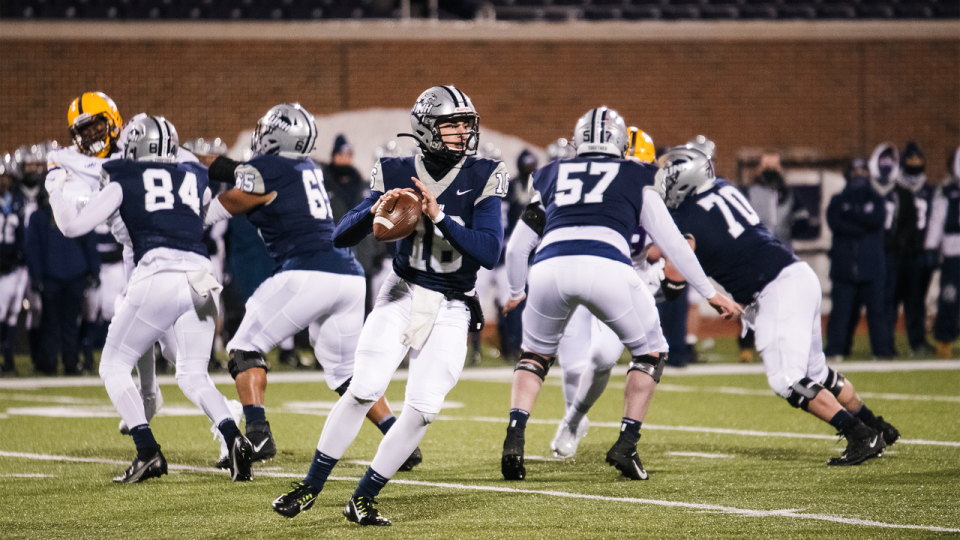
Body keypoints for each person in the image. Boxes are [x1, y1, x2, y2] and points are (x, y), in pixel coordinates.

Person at [271, 85, 505, 526]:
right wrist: (371, 211)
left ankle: (362, 497)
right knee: (364, 387)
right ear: (426, 128)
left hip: (454, 302)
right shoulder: (395, 167)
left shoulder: (485, 172)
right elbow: (341, 235)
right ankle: (310, 486)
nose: (462, 132)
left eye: (465, 123)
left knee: (424, 408)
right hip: (403, 291)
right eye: (451, 123)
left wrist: (439, 216)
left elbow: (490, 250)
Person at [499, 108, 741, 482]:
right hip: (607, 268)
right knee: (651, 352)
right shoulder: (636, 174)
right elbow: (674, 244)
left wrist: (516, 291)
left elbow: (517, 247)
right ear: (620, 142)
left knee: (534, 356)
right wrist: (710, 293)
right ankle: (626, 444)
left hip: (548, 268)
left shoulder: (552, 173)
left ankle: (514, 439)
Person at [199, 103, 420, 471]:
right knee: (346, 371)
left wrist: (193, 210)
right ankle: (398, 439)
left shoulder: (271, 167)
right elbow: (236, 170)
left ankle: (257, 433)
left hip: (308, 271)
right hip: (348, 276)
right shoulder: (306, 167)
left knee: (243, 347)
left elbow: (226, 202)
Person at [661, 143, 899, 466]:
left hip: (775, 290)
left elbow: (675, 273)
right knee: (816, 372)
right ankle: (877, 426)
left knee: (786, 379)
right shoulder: (723, 188)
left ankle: (859, 434)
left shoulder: (686, 215)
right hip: (798, 275)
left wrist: (659, 282)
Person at [47, 115, 253, 483]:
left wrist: (54, 186)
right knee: (193, 374)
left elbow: (71, 226)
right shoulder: (192, 174)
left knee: (112, 365)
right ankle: (234, 438)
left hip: (158, 273)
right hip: (201, 277)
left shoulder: (122, 175)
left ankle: (147, 450)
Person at [823, 159, 892, 360]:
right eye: (855, 171)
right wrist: (862, 225)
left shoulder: (877, 199)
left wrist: (851, 218)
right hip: (844, 269)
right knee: (841, 314)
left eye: (863, 170)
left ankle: (882, 351)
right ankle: (836, 350)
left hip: (872, 268)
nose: (859, 175)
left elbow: (876, 220)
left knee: (877, 313)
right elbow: (836, 223)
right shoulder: (837, 200)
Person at [323, 133, 387, 316]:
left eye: (348, 155)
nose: (345, 160)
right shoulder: (322, 185)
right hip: (333, 260)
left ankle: (359, 346)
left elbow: (376, 219)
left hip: (362, 260)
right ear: (333, 156)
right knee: (333, 310)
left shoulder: (362, 185)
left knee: (363, 311)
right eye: (341, 155)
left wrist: (378, 251)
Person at [869, 142, 917, 357]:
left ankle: (886, 345)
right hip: (869, 253)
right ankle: (878, 345)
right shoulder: (867, 189)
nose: (886, 164)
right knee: (874, 301)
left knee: (889, 301)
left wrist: (899, 242)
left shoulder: (902, 193)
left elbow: (910, 223)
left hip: (893, 255)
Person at [895, 142, 936, 356]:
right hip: (899, 253)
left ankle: (917, 341)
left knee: (916, 301)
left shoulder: (930, 190)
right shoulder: (897, 190)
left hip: (921, 252)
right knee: (892, 299)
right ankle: (886, 345)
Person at [926, 145, 960, 358]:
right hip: (952, 253)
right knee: (949, 298)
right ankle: (944, 343)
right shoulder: (947, 192)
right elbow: (937, 221)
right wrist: (930, 247)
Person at [0, 156, 26, 375]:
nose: (5, 183)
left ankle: (8, 358)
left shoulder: (17, 202)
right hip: (2, 268)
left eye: (7, 178)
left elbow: (22, 235)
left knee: (12, 313)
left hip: (14, 267)